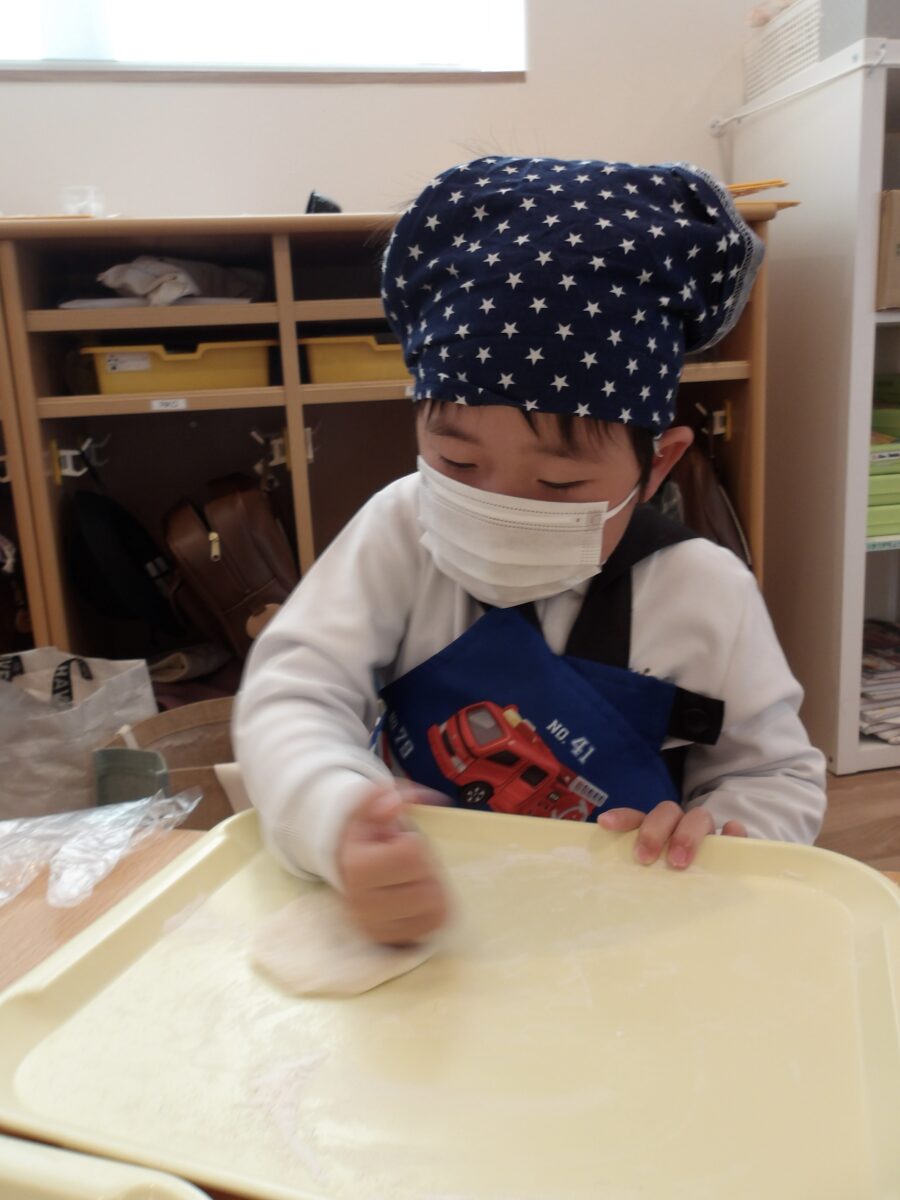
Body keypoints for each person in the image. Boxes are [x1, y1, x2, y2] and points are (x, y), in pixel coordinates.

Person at [234, 155, 827, 945]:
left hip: (630, 939)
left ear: (658, 465)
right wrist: (334, 813)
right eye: (459, 463)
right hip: (430, 927)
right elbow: (293, 692)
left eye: (558, 482)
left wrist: (727, 837)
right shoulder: (398, 530)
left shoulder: (704, 590)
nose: (501, 506)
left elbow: (774, 773)